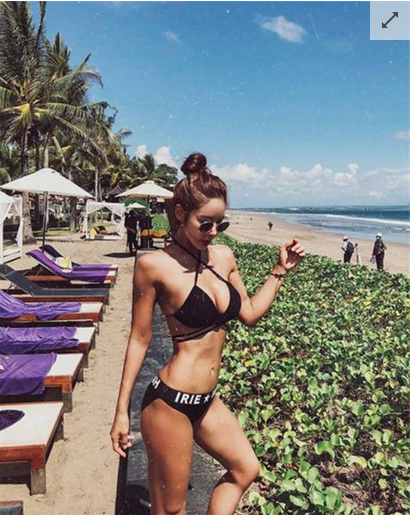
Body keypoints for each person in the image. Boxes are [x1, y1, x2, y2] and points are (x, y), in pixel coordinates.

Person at [110, 152, 305, 515]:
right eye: (205, 224)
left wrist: (279, 271)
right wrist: (122, 412)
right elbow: (139, 339)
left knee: (246, 469)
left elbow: (249, 313)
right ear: (181, 214)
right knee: (172, 510)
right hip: (169, 403)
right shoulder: (154, 266)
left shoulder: (224, 257)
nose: (213, 232)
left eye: (220, 224)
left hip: (207, 400)